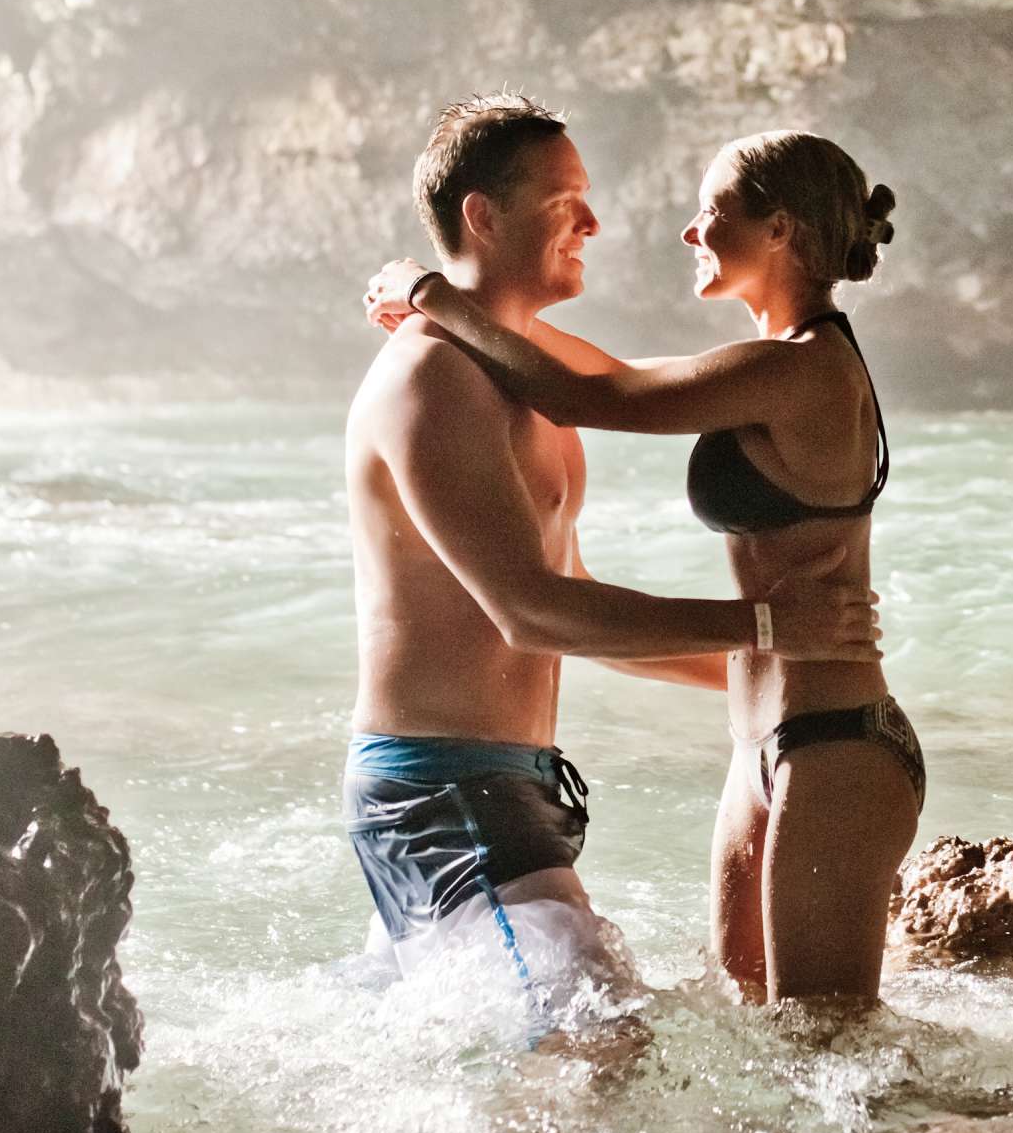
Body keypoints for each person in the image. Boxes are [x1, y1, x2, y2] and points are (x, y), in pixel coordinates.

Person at [344, 96, 881, 1035]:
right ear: (484, 214)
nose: (595, 223)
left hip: (514, 786)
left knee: (601, 1043)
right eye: (566, 202)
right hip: (446, 788)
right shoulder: (434, 376)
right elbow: (532, 614)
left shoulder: (529, 375)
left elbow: (578, 575)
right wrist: (762, 635)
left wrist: (789, 682)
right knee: (603, 1041)